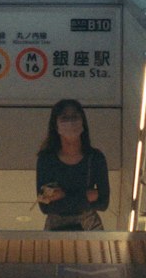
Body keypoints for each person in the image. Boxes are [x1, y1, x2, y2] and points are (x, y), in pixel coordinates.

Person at [36, 99, 110, 231]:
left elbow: (104, 203)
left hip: (87, 227)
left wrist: (62, 195)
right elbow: (45, 207)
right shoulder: (46, 159)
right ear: (56, 125)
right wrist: (86, 196)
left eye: (75, 117)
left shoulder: (95, 158)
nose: (70, 122)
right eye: (64, 118)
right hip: (60, 228)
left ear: (83, 122)